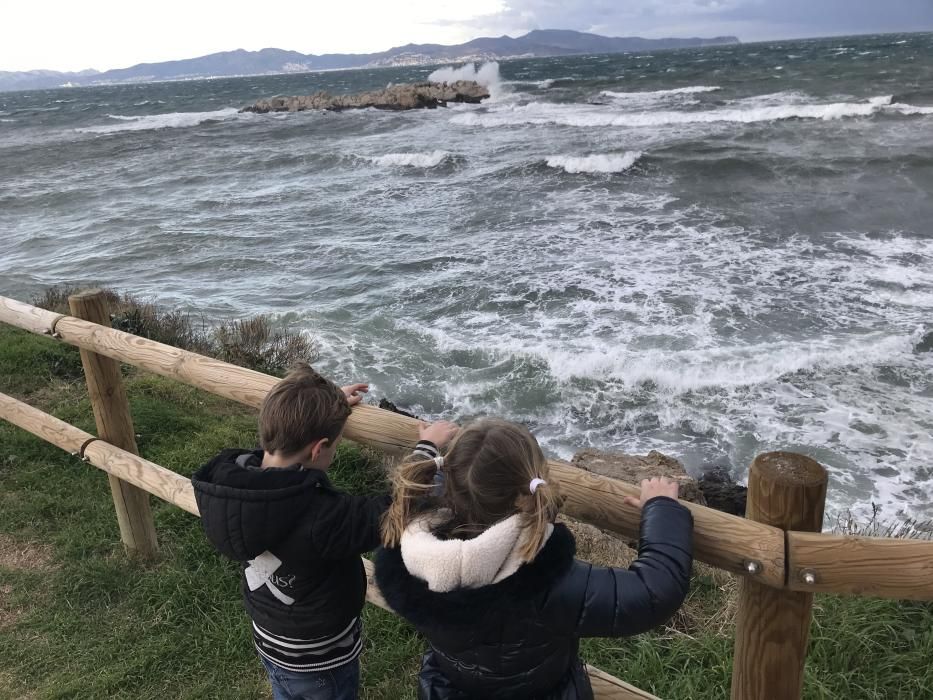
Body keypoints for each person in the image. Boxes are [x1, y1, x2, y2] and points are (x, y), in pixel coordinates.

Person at [375, 418, 694, 700]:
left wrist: (427, 449)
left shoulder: (410, 556)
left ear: (449, 476)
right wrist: (663, 510)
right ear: (529, 486)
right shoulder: (547, 582)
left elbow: (456, 491)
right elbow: (653, 591)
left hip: (449, 687)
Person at [191, 364, 456, 700]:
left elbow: (291, 437)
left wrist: (327, 411)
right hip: (319, 659)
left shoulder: (233, 485)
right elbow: (396, 509)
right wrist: (427, 448)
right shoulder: (325, 518)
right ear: (318, 449)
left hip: (270, 637)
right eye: (335, 444)